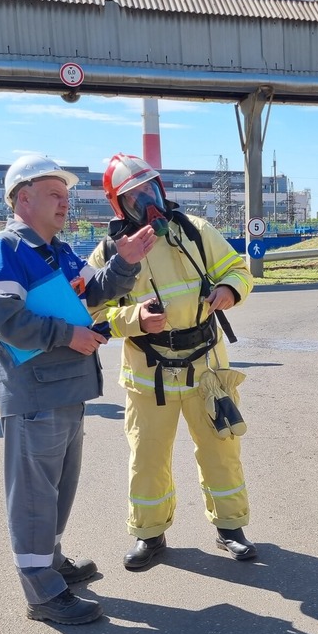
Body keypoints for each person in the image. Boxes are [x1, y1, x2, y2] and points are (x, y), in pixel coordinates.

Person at [0, 154, 155, 625]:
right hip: (34, 394)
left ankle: (50, 565)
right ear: (23, 198)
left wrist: (126, 262)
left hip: (66, 391)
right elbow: (2, 318)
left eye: (66, 197)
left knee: (58, 490)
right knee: (34, 495)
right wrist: (67, 335)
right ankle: (42, 594)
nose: (64, 205)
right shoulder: (4, 248)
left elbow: (95, 291)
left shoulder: (59, 250)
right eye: (55, 195)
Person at [88, 153, 256, 571]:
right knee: (147, 458)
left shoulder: (196, 231)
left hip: (207, 369)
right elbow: (90, 312)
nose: (146, 201)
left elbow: (239, 269)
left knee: (221, 451)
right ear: (119, 207)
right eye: (133, 197)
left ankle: (230, 528)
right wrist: (134, 319)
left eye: (150, 190)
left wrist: (230, 291)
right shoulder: (113, 252)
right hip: (150, 376)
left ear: (161, 189)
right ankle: (150, 535)